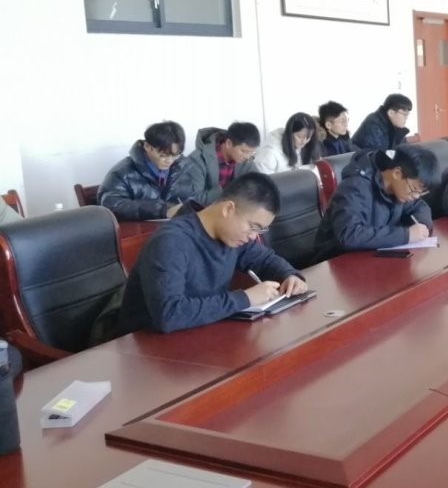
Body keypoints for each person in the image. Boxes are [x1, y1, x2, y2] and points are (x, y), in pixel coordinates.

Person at [95, 173, 306, 339]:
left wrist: (289, 275)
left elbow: (265, 259)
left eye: (260, 230)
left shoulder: (230, 236)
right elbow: (169, 315)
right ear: (228, 209)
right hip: (145, 348)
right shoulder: (171, 241)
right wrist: (245, 298)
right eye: (253, 226)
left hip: (196, 337)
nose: (253, 236)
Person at [313, 145, 440, 261]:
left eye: (420, 192)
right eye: (414, 189)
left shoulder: (398, 189)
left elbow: (419, 206)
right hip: (336, 262)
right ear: (397, 173)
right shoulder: (355, 187)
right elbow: (349, 234)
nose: (416, 196)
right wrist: (406, 235)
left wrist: (421, 225)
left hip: (371, 257)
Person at [98, 121, 193, 221]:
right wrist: (162, 209)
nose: (169, 161)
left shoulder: (183, 167)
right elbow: (112, 205)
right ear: (147, 146)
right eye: (163, 155)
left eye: (175, 155)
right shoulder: (121, 174)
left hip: (179, 226)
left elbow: (194, 198)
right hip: (140, 229)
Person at [173, 122, 261, 206]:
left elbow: (259, 185)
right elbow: (194, 199)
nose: (247, 156)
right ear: (228, 143)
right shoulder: (197, 160)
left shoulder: (245, 160)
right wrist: (229, 191)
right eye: (244, 151)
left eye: (251, 152)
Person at [254, 112, 323, 174]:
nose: (304, 141)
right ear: (290, 134)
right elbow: (262, 181)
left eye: (308, 137)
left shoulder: (308, 145)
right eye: (300, 136)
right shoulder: (269, 154)